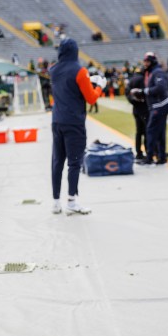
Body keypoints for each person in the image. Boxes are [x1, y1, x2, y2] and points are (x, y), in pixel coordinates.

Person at [49, 38, 105, 215]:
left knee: (57, 162)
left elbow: (68, 86)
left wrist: (88, 80)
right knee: (74, 163)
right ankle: (71, 201)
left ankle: (56, 202)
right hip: (73, 122)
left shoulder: (53, 70)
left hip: (57, 120)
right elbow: (91, 98)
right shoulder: (80, 70)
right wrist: (99, 86)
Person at [138, 52, 168, 165]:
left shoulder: (157, 72)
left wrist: (146, 91)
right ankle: (161, 157)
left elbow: (161, 87)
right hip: (159, 105)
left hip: (159, 105)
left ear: (151, 62)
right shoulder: (153, 71)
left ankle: (150, 157)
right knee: (160, 132)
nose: (145, 64)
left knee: (151, 131)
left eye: (147, 61)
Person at [125, 67, 148, 160]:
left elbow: (127, 94)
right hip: (143, 108)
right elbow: (144, 93)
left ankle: (138, 152)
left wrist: (134, 102)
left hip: (135, 109)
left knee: (138, 132)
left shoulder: (131, 80)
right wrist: (142, 100)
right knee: (146, 131)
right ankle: (148, 151)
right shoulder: (142, 79)